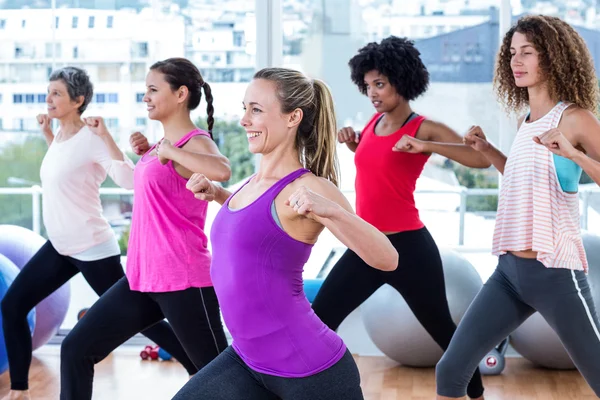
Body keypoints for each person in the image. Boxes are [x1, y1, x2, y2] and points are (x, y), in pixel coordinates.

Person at [174, 67, 398, 400]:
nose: (244, 120)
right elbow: (257, 230)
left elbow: (387, 259)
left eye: (256, 110)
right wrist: (219, 194)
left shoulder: (310, 188)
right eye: (245, 108)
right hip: (248, 360)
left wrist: (330, 209)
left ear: (293, 117)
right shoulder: (252, 184)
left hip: (312, 372)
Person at [0, 67, 198, 400]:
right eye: (48, 92)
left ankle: (200, 366)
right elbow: (67, 168)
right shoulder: (61, 137)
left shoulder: (92, 138)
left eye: (57, 94)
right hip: (61, 246)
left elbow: (126, 178)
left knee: (143, 320)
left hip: (93, 248)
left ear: (78, 100)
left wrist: (106, 136)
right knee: (13, 306)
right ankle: (20, 387)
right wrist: (48, 133)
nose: (48, 99)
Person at [311, 36, 489, 400]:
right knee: (319, 318)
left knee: (442, 330)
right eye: (368, 85)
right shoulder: (374, 123)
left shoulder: (423, 126)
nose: (372, 92)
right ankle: (312, 389)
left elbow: (480, 160)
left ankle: (475, 391)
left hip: (408, 247)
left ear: (402, 81)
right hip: (366, 245)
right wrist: (354, 146)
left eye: (381, 84)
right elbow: (380, 170)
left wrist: (426, 146)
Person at [435, 15, 600, 399]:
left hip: (555, 273)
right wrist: (487, 150)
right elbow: (522, 180)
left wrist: (573, 152)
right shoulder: (526, 121)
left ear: (553, 57)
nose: (516, 61)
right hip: (509, 273)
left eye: (528, 52)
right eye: (512, 53)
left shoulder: (574, 118)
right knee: (451, 370)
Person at [58, 58, 231, 400]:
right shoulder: (160, 145)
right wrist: (149, 151)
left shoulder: (194, 142)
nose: (146, 97)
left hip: (183, 279)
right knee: (76, 348)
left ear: (181, 94)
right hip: (141, 279)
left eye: (153, 90)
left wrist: (167, 150)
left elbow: (222, 169)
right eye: (145, 91)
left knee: (220, 378)